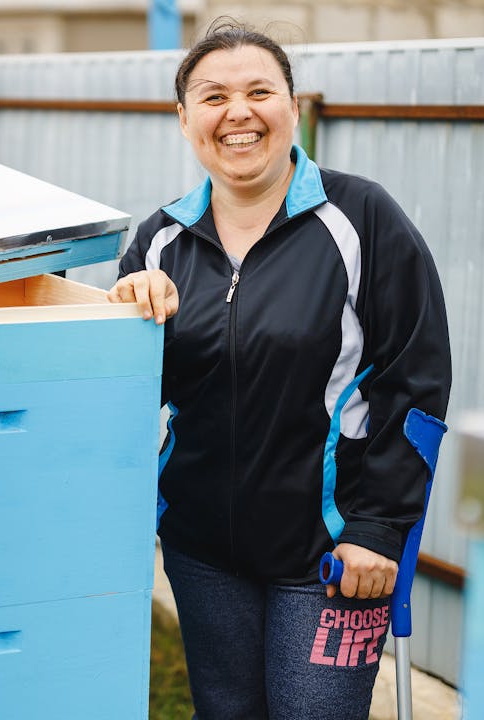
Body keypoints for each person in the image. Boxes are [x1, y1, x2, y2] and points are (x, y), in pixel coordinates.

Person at [107, 20, 452, 720]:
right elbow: (131, 394)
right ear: (183, 121)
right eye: (212, 97)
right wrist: (125, 318)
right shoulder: (158, 240)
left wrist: (378, 530)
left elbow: (414, 383)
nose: (237, 112)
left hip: (328, 556)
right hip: (201, 551)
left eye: (258, 91)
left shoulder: (362, 218)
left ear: (292, 106)